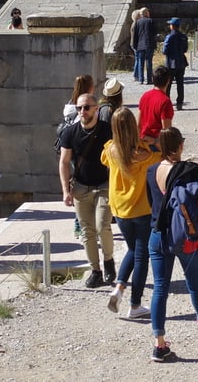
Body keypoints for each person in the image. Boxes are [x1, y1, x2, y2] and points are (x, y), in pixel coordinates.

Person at [146, 127, 198, 362]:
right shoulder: (190, 170)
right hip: (185, 235)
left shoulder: (150, 171)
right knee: (195, 282)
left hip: (158, 236)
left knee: (160, 288)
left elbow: (152, 204)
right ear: (180, 146)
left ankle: (159, 343)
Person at [101, 107, 161, 321]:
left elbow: (104, 159)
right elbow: (160, 156)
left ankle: (118, 287)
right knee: (142, 255)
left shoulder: (109, 149)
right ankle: (135, 304)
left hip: (120, 209)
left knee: (132, 249)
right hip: (142, 208)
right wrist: (150, 141)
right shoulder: (144, 153)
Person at [59, 90, 116, 288]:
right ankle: (95, 270)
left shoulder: (107, 130)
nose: (82, 111)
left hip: (104, 186)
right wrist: (66, 190)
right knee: (87, 231)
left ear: (96, 109)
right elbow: (64, 162)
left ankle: (108, 260)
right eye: (79, 108)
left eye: (86, 107)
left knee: (102, 226)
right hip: (81, 188)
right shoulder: (70, 132)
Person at [139, 68, 176, 146]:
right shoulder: (165, 101)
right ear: (168, 81)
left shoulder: (144, 96)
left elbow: (139, 124)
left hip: (143, 141)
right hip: (156, 143)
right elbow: (166, 132)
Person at [160, 17, 188, 110]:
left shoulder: (169, 37)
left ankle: (167, 102)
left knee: (168, 84)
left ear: (172, 26)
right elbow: (185, 49)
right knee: (180, 84)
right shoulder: (183, 36)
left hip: (171, 63)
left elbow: (164, 50)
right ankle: (179, 103)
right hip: (181, 62)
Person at [131, 8, 157, 85]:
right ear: (146, 13)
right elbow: (154, 34)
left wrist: (135, 45)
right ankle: (149, 79)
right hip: (149, 45)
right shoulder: (151, 21)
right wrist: (154, 44)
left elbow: (135, 35)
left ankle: (141, 79)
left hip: (140, 45)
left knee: (141, 62)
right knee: (149, 62)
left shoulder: (137, 22)